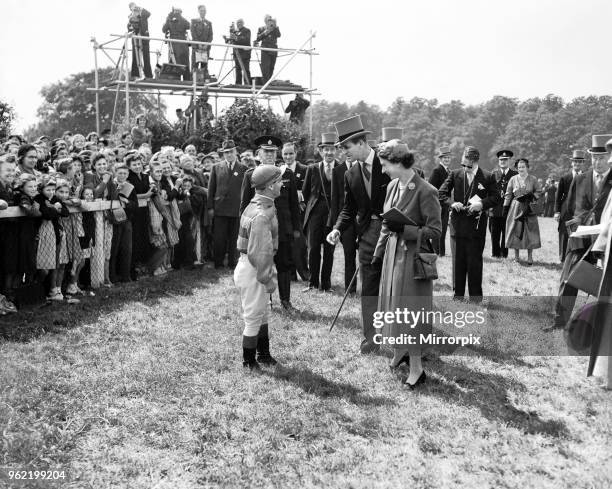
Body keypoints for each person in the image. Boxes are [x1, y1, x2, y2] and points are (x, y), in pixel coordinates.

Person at [372, 140, 441, 387]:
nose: (383, 170)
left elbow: (435, 232)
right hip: (392, 257)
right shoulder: (392, 186)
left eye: (386, 165)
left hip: (413, 262)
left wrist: (408, 229)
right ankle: (399, 352)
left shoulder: (426, 191)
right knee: (392, 308)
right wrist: (378, 253)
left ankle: (417, 369)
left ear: (400, 162)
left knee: (409, 314)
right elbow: (386, 222)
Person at [327, 115, 390, 354]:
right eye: (342, 148)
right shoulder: (350, 174)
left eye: (347, 147)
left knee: (394, 288)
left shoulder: (388, 163)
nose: (344, 152)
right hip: (366, 238)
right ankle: (371, 338)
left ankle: (399, 338)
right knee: (369, 289)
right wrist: (337, 228)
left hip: (392, 236)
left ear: (362, 143)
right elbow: (348, 208)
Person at [553, 135, 612, 330]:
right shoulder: (580, 179)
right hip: (580, 238)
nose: (598, 162)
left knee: (603, 285)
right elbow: (569, 208)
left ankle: (600, 327)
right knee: (568, 279)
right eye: (594, 157)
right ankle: (559, 321)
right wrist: (575, 227)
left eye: (602, 157)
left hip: (605, 240)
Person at [240, 136, 300, 311]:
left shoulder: (286, 173)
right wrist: (244, 231)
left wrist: (296, 228)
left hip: (282, 227)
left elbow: (294, 205)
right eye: (266, 151)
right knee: (263, 264)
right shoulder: (251, 175)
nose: (269, 155)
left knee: (284, 264)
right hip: (260, 228)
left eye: (273, 152)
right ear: (258, 153)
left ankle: (286, 301)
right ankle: (267, 300)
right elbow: (244, 206)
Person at [234, 165, 283, 370]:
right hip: (253, 268)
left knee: (262, 313)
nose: (282, 184)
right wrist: (269, 278)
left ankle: (263, 354)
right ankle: (249, 361)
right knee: (254, 316)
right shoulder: (261, 214)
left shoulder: (258, 204)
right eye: (279, 181)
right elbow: (260, 253)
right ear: (271, 186)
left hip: (248, 265)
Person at [438, 146, 500, 301]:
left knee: (474, 261)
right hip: (457, 225)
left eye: (468, 166)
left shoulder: (488, 176)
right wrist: (452, 203)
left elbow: (496, 197)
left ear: (475, 161)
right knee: (457, 261)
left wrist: (482, 204)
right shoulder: (454, 174)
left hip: (476, 226)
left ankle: (475, 297)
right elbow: (441, 193)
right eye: (462, 165)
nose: (465, 168)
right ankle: (457, 295)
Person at [303, 133, 337, 292]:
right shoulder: (312, 168)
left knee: (329, 250)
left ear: (336, 150)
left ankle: (326, 285)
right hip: (315, 213)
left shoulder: (342, 168)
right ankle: (312, 283)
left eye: (332, 149)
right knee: (313, 248)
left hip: (332, 214)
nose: (329, 153)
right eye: (326, 150)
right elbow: (305, 192)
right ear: (320, 151)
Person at [207, 139, 247, 269]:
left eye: (231, 151)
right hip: (220, 209)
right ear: (223, 154)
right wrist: (210, 207)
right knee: (219, 237)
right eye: (226, 152)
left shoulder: (243, 168)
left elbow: (246, 190)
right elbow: (211, 189)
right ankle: (218, 262)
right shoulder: (216, 167)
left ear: (236, 152)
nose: (229, 154)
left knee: (234, 237)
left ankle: (232, 262)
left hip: (236, 209)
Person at [328, 146, 357, 294]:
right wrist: (335, 225)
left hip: (362, 219)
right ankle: (350, 289)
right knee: (349, 254)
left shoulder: (362, 168)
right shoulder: (337, 171)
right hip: (346, 221)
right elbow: (334, 200)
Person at [503, 158, 542, 264]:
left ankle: (530, 257)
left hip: (529, 207)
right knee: (516, 230)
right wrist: (505, 207)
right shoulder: (513, 179)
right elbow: (508, 193)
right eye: (519, 167)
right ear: (517, 168)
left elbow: (539, 191)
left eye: (523, 167)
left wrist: (532, 196)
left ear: (527, 167)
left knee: (530, 231)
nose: (521, 169)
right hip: (516, 207)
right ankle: (516, 257)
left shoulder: (533, 179)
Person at [281, 142, 309, 282]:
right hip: (286, 214)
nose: (288, 156)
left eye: (291, 153)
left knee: (301, 245)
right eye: (285, 154)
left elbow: (310, 190)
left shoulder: (305, 169)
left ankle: (305, 273)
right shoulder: (279, 171)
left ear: (296, 154)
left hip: (302, 214)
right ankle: (291, 275)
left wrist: (301, 195)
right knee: (288, 244)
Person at [109, 164, 138, 283]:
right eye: (120, 173)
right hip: (113, 220)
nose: (123, 175)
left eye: (125, 173)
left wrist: (127, 202)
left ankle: (125, 276)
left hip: (126, 220)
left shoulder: (130, 187)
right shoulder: (111, 185)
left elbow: (135, 205)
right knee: (114, 249)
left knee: (126, 248)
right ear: (115, 172)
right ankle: (112, 276)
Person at [555, 149, 584, 262]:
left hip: (580, 210)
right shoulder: (565, 178)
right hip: (565, 210)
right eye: (575, 162)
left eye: (580, 162)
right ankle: (562, 258)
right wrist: (557, 212)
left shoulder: (586, 177)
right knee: (563, 234)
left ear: (583, 163)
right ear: (572, 163)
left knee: (578, 234)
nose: (577, 164)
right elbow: (558, 197)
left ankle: (576, 259)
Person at [489, 150, 517, 258]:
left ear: (509, 160)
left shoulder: (514, 174)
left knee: (506, 232)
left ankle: (504, 254)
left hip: (508, 209)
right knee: (494, 233)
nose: (503, 162)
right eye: (501, 160)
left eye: (505, 160)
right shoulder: (493, 173)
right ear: (498, 161)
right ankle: (495, 253)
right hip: (494, 209)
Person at [428, 145, 453, 256]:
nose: (447, 159)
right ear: (441, 159)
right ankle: (435, 251)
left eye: (448, 158)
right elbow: (431, 189)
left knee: (443, 229)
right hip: (437, 205)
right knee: (437, 229)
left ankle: (441, 252)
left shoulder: (449, 171)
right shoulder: (437, 170)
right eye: (445, 158)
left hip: (445, 204)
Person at [162, 8, 191, 81]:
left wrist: (168, 18)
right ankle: (187, 80)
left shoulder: (170, 20)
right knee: (185, 63)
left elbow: (163, 29)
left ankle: (175, 79)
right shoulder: (183, 20)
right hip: (183, 44)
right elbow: (189, 26)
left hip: (174, 44)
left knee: (174, 62)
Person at [127, 3, 153, 79]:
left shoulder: (143, 15)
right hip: (136, 39)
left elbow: (148, 13)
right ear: (130, 9)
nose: (134, 9)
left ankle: (148, 75)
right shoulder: (130, 17)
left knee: (146, 56)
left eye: (135, 6)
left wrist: (140, 8)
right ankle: (136, 74)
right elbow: (129, 28)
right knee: (135, 57)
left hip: (144, 38)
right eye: (132, 7)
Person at [255, 15, 281, 84]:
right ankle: (265, 83)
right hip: (265, 50)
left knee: (271, 67)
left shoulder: (275, 28)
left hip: (273, 50)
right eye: (268, 19)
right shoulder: (261, 28)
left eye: (270, 19)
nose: (269, 21)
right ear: (265, 21)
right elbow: (258, 38)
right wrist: (266, 32)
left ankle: (268, 82)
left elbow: (279, 35)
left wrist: (275, 26)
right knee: (265, 67)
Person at [190, 5, 213, 80]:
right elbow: (193, 33)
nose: (203, 12)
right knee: (194, 65)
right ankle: (193, 81)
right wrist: (198, 43)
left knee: (204, 66)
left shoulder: (209, 23)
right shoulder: (193, 21)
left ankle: (203, 81)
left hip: (205, 48)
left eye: (204, 10)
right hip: (196, 47)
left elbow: (211, 35)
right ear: (199, 11)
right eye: (201, 10)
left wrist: (207, 44)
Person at [227, 19, 251, 85]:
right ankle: (238, 83)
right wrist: (227, 38)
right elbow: (232, 40)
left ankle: (247, 83)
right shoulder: (235, 31)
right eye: (237, 23)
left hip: (245, 53)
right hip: (237, 53)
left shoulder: (247, 30)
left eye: (240, 22)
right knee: (238, 69)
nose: (239, 24)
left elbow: (246, 40)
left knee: (246, 69)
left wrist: (236, 38)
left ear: (243, 23)